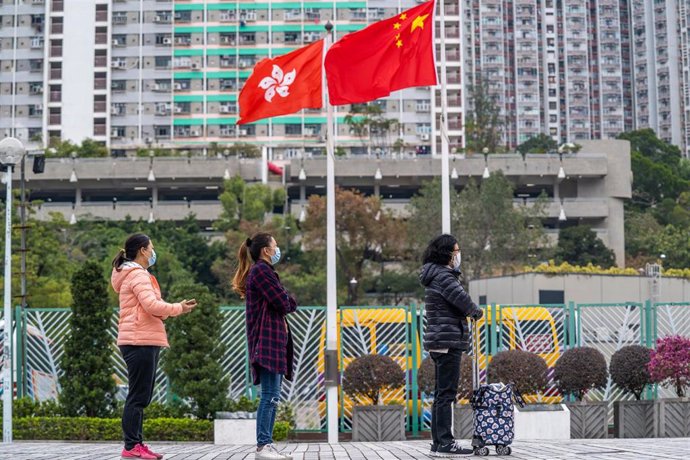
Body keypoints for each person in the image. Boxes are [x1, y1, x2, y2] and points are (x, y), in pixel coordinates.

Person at [111, 233, 197, 460]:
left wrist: (168, 310)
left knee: (142, 395)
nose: (152, 252)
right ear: (142, 250)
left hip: (142, 338)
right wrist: (178, 307)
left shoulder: (132, 273)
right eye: (151, 248)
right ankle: (131, 446)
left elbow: (150, 307)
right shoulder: (138, 274)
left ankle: (136, 443)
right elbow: (151, 305)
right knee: (138, 396)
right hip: (139, 339)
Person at [232, 233, 297, 460]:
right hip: (267, 343)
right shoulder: (261, 271)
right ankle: (263, 446)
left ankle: (267, 444)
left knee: (273, 396)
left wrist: (287, 300)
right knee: (269, 396)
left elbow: (286, 302)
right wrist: (287, 298)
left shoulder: (265, 272)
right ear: (266, 250)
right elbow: (284, 302)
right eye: (275, 245)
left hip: (274, 343)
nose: (278, 248)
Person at [419, 234, 483, 457]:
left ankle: (438, 442)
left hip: (439, 341)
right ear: (447, 253)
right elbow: (462, 300)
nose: (458, 255)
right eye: (456, 251)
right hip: (447, 341)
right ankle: (445, 441)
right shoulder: (444, 276)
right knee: (446, 394)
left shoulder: (434, 275)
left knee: (440, 394)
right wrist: (476, 311)